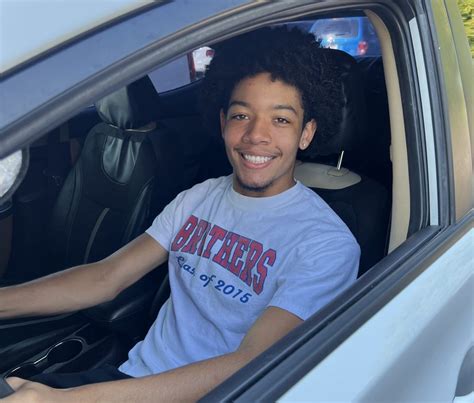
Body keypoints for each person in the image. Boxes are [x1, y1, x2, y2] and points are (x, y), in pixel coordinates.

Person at [0, 27, 360, 402]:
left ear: (306, 133)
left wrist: (64, 400)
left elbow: (251, 364)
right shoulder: (200, 197)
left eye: (281, 120)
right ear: (223, 123)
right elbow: (106, 277)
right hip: (132, 380)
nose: (256, 135)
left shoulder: (326, 244)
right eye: (242, 115)